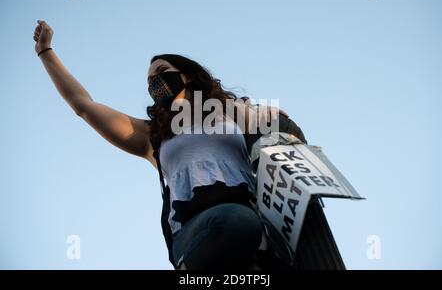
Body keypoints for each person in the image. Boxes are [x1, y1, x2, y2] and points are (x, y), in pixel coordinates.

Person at [33, 20, 288, 270]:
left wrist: (266, 114)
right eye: (149, 81)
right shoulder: (151, 136)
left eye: (161, 72)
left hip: (255, 224)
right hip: (196, 230)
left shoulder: (226, 112)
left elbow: (260, 121)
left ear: (186, 76)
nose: (155, 81)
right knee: (237, 222)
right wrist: (46, 52)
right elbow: (84, 106)